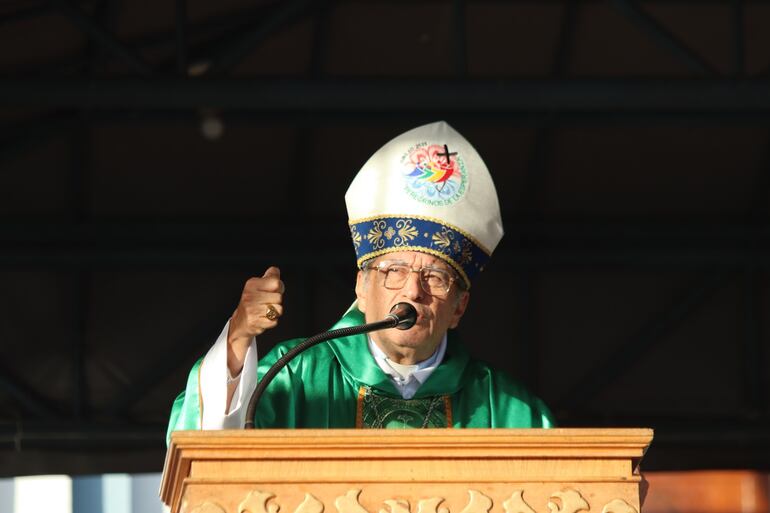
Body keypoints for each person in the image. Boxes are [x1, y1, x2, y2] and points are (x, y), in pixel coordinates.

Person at [167, 121, 554, 437]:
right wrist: (238, 337)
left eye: (435, 277)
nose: (412, 291)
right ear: (361, 289)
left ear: (459, 308)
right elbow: (210, 452)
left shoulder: (508, 409)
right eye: (394, 271)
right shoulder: (296, 376)